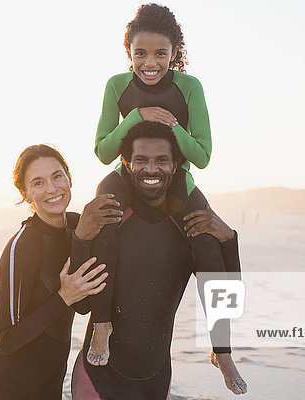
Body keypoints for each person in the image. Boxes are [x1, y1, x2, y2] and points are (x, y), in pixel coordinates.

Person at [85, 2, 229, 369]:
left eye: (160, 53)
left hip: (176, 179)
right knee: (104, 221)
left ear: (174, 53)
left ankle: (223, 350)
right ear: (128, 53)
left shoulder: (190, 87)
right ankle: (102, 325)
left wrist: (173, 127)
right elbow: (103, 151)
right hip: (126, 176)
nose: (150, 63)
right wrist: (136, 116)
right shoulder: (116, 86)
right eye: (141, 53)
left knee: (211, 248)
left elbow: (203, 156)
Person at [71, 122, 247, 399]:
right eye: (141, 160)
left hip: (156, 380)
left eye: (161, 160)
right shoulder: (112, 219)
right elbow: (81, 304)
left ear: (176, 165)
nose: (151, 169)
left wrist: (228, 239)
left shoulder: (190, 228)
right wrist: (81, 238)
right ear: (127, 164)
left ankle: (222, 354)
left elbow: (227, 294)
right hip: (97, 378)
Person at [0, 144, 123, 400]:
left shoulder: (80, 226)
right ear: (25, 193)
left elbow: (85, 304)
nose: (53, 189)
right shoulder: (21, 247)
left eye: (57, 176)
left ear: (69, 178)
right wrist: (63, 297)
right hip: (7, 385)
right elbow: (6, 339)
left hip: (51, 379)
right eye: (38, 183)